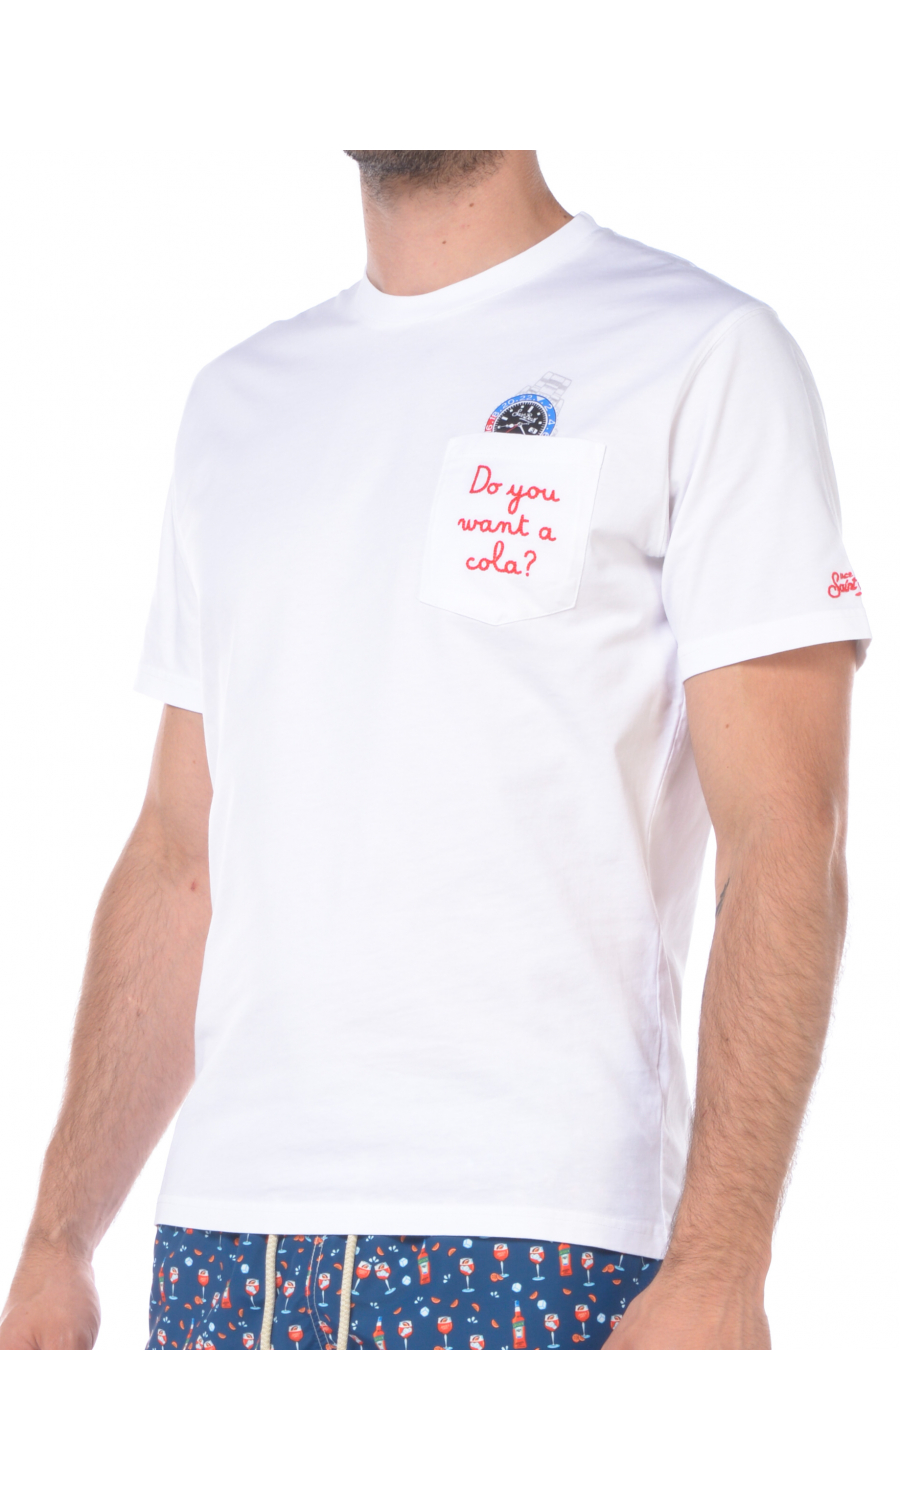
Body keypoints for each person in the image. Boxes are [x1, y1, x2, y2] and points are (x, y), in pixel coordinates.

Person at [0, 149, 870, 1351]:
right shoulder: (239, 399)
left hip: (539, 1233)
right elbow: (178, 852)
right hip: (224, 1242)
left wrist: (723, 1260)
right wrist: (57, 1239)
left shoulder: (702, 352)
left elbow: (786, 835)